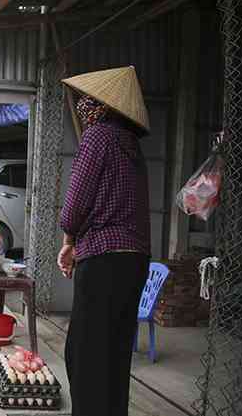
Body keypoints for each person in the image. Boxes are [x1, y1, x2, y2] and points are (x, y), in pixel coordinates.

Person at [58, 67, 151, 416]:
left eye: (89, 101)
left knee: (84, 356)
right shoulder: (131, 145)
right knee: (114, 356)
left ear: (102, 106)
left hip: (103, 259)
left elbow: (76, 203)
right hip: (134, 261)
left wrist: (69, 239)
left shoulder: (97, 137)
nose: (83, 106)